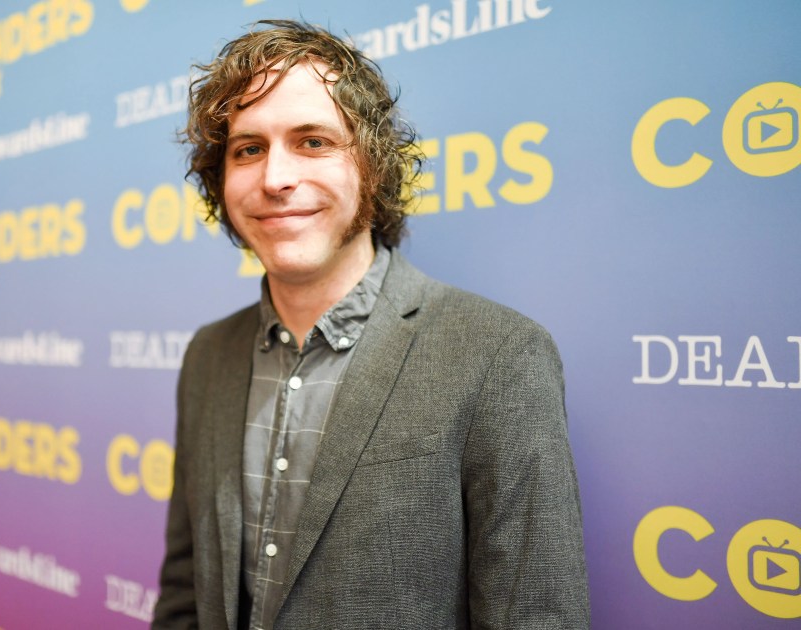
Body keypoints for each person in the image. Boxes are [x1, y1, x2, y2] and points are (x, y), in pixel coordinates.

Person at [153, 19, 589, 630]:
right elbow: (185, 593)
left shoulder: (499, 356)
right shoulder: (208, 354)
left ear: (373, 165)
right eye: (249, 149)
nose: (275, 178)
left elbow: (535, 616)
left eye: (313, 142)